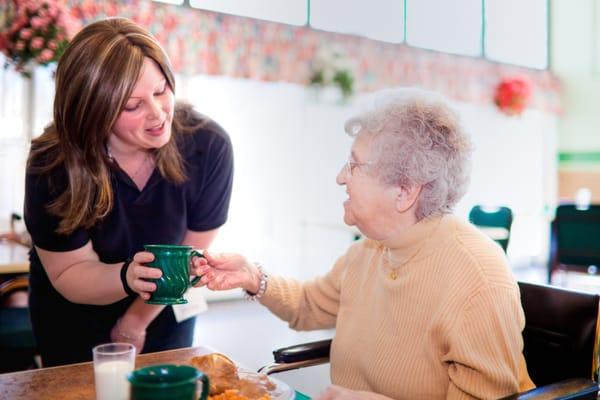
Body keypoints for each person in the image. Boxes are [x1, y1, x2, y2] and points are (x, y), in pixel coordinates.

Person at [189, 90, 535, 399]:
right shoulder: (369, 250)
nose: (341, 176)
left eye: (354, 164)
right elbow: (310, 305)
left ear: (404, 191)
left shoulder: (477, 278)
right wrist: (252, 276)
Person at [23, 17, 234, 367]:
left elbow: (189, 250)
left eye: (161, 90)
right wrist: (126, 276)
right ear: (94, 112)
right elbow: (69, 271)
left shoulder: (207, 146)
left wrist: (136, 320)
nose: (157, 114)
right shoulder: (54, 162)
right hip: (74, 316)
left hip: (163, 310)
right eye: (132, 106)